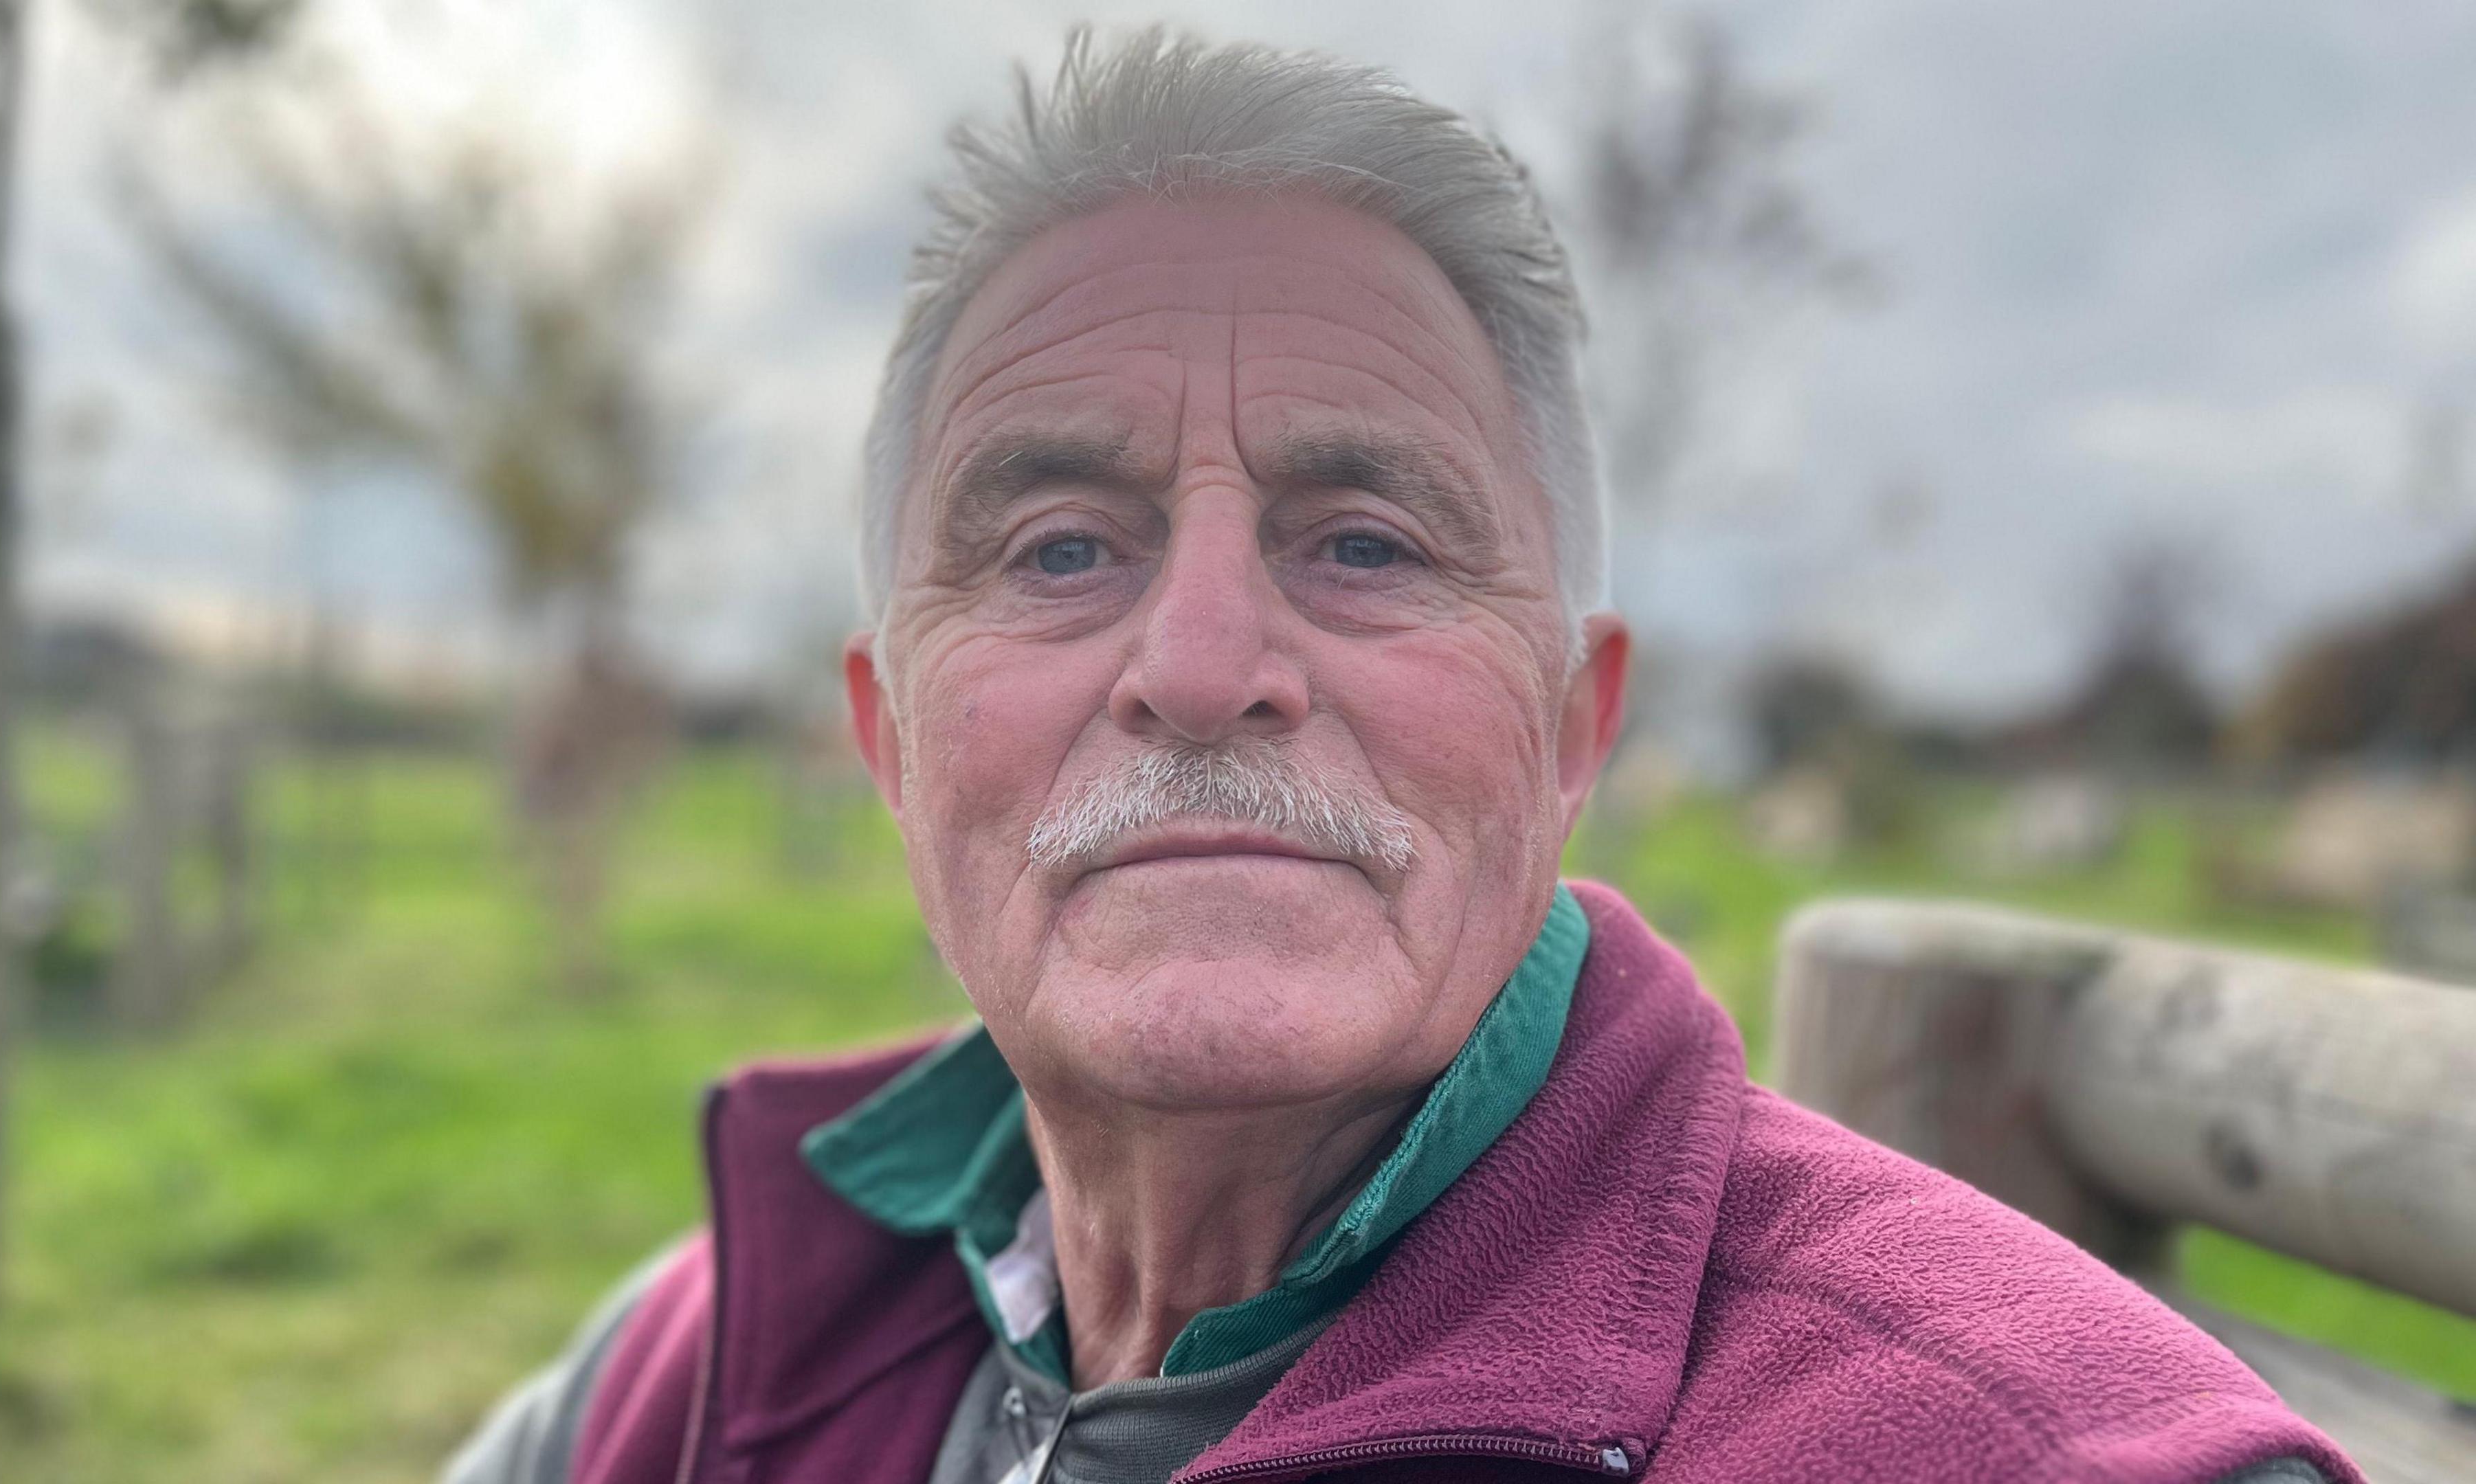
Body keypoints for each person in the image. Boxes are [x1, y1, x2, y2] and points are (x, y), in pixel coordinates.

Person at [443, 26, 2356, 1484]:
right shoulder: (693, 1365)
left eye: (1365, 543)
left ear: (1573, 725)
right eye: (1060, 551)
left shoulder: (2013, 1450)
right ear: (889, 735)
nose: (1201, 667)